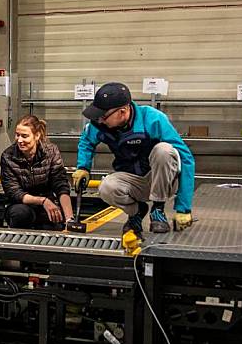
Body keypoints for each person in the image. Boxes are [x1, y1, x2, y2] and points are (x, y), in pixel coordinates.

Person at [72, 82, 195, 235]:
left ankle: (158, 209)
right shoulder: (100, 125)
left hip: (161, 180)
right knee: (106, 187)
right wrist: (83, 167)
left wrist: (183, 207)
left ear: (122, 111)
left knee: (163, 150)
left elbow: (186, 158)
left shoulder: (153, 119)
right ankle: (136, 212)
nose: (100, 120)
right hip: (132, 181)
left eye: (104, 116)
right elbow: (86, 141)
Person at [0, 115, 73, 230]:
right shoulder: (8, 156)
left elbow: (61, 185)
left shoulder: (51, 152)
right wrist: (43, 201)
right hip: (21, 205)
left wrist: (69, 219)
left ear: (37, 135)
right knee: (20, 214)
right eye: (17, 135)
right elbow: (14, 192)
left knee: (54, 225)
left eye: (24, 136)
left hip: (47, 205)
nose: (19, 140)